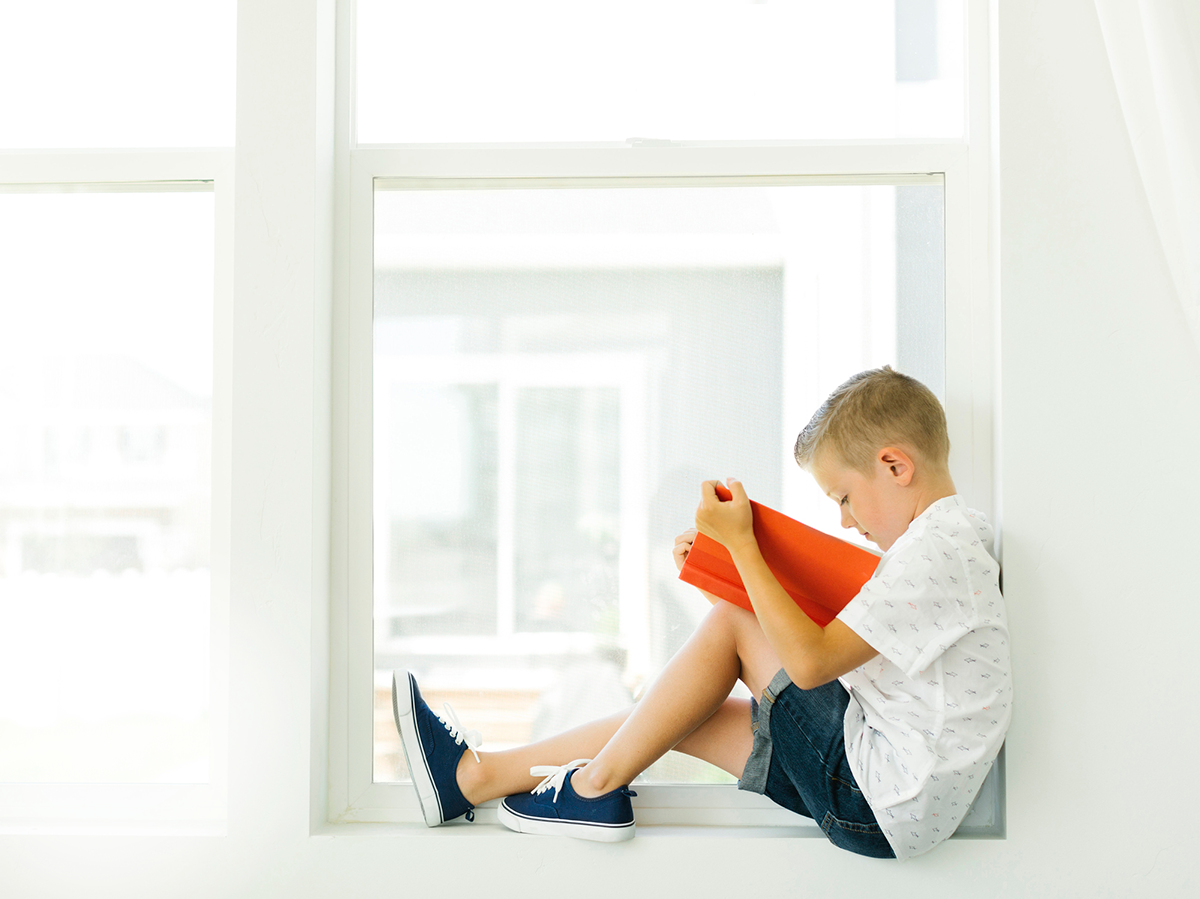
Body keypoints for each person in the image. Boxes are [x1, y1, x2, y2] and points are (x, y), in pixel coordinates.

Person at [392, 366, 1011, 859]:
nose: (844, 519)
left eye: (844, 497)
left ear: (895, 465)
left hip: (876, 794)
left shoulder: (937, 551)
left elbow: (814, 662)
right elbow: (829, 658)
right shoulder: (948, 548)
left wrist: (743, 550)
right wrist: (729, 585)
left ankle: (591, 788)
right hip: (884, 796)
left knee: (731, 632)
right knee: (677, 713)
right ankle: (475, 778)